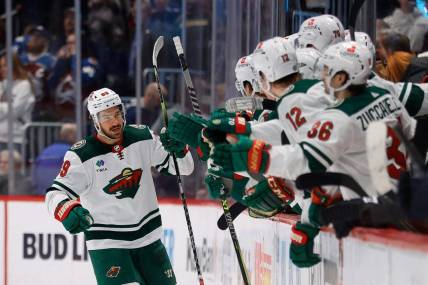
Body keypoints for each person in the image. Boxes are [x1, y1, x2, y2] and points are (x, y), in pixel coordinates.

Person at [211, 41, 416, 268]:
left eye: (327, 72)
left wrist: (257, 158)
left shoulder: (339, 118)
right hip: (412, 198)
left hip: (376, 218)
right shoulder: (385, 97)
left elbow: (307, 161)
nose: (321, 78)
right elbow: (411, 136)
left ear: (342, 78)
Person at [45, 87, 193, 284]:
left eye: (117, 114)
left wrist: (180, 149)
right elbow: (55, 193)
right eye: (106, 117)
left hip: (148, 239)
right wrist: (66, 209)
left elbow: (184, 168)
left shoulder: (143, 137)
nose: (115, 121)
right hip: (108, 245)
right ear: (95, 120)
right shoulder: (82, 155)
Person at [0, 53, 35, 151]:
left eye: (5, 66)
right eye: (1, 66)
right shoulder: (1, 85)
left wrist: (3, 106)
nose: (2, 69)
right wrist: (7, 106)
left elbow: (16, 111)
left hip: (16, 137)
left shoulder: (24, 85)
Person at [33, 123, 77, 195]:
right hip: (60, 196)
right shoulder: (71, 151)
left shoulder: (46, 150)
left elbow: (34, 172)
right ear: (71, 135)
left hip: (41, 193)